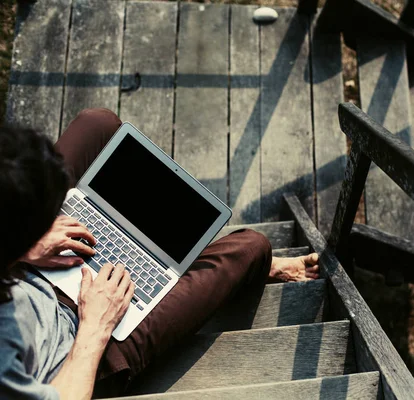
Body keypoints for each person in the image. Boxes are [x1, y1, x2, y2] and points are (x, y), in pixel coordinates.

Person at [0, 108, 320, 399]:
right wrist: (96, 325)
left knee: (98, 124)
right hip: (80, 347)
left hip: (28, 272)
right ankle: (259, 269)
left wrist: (26, 250)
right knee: (252, 247)